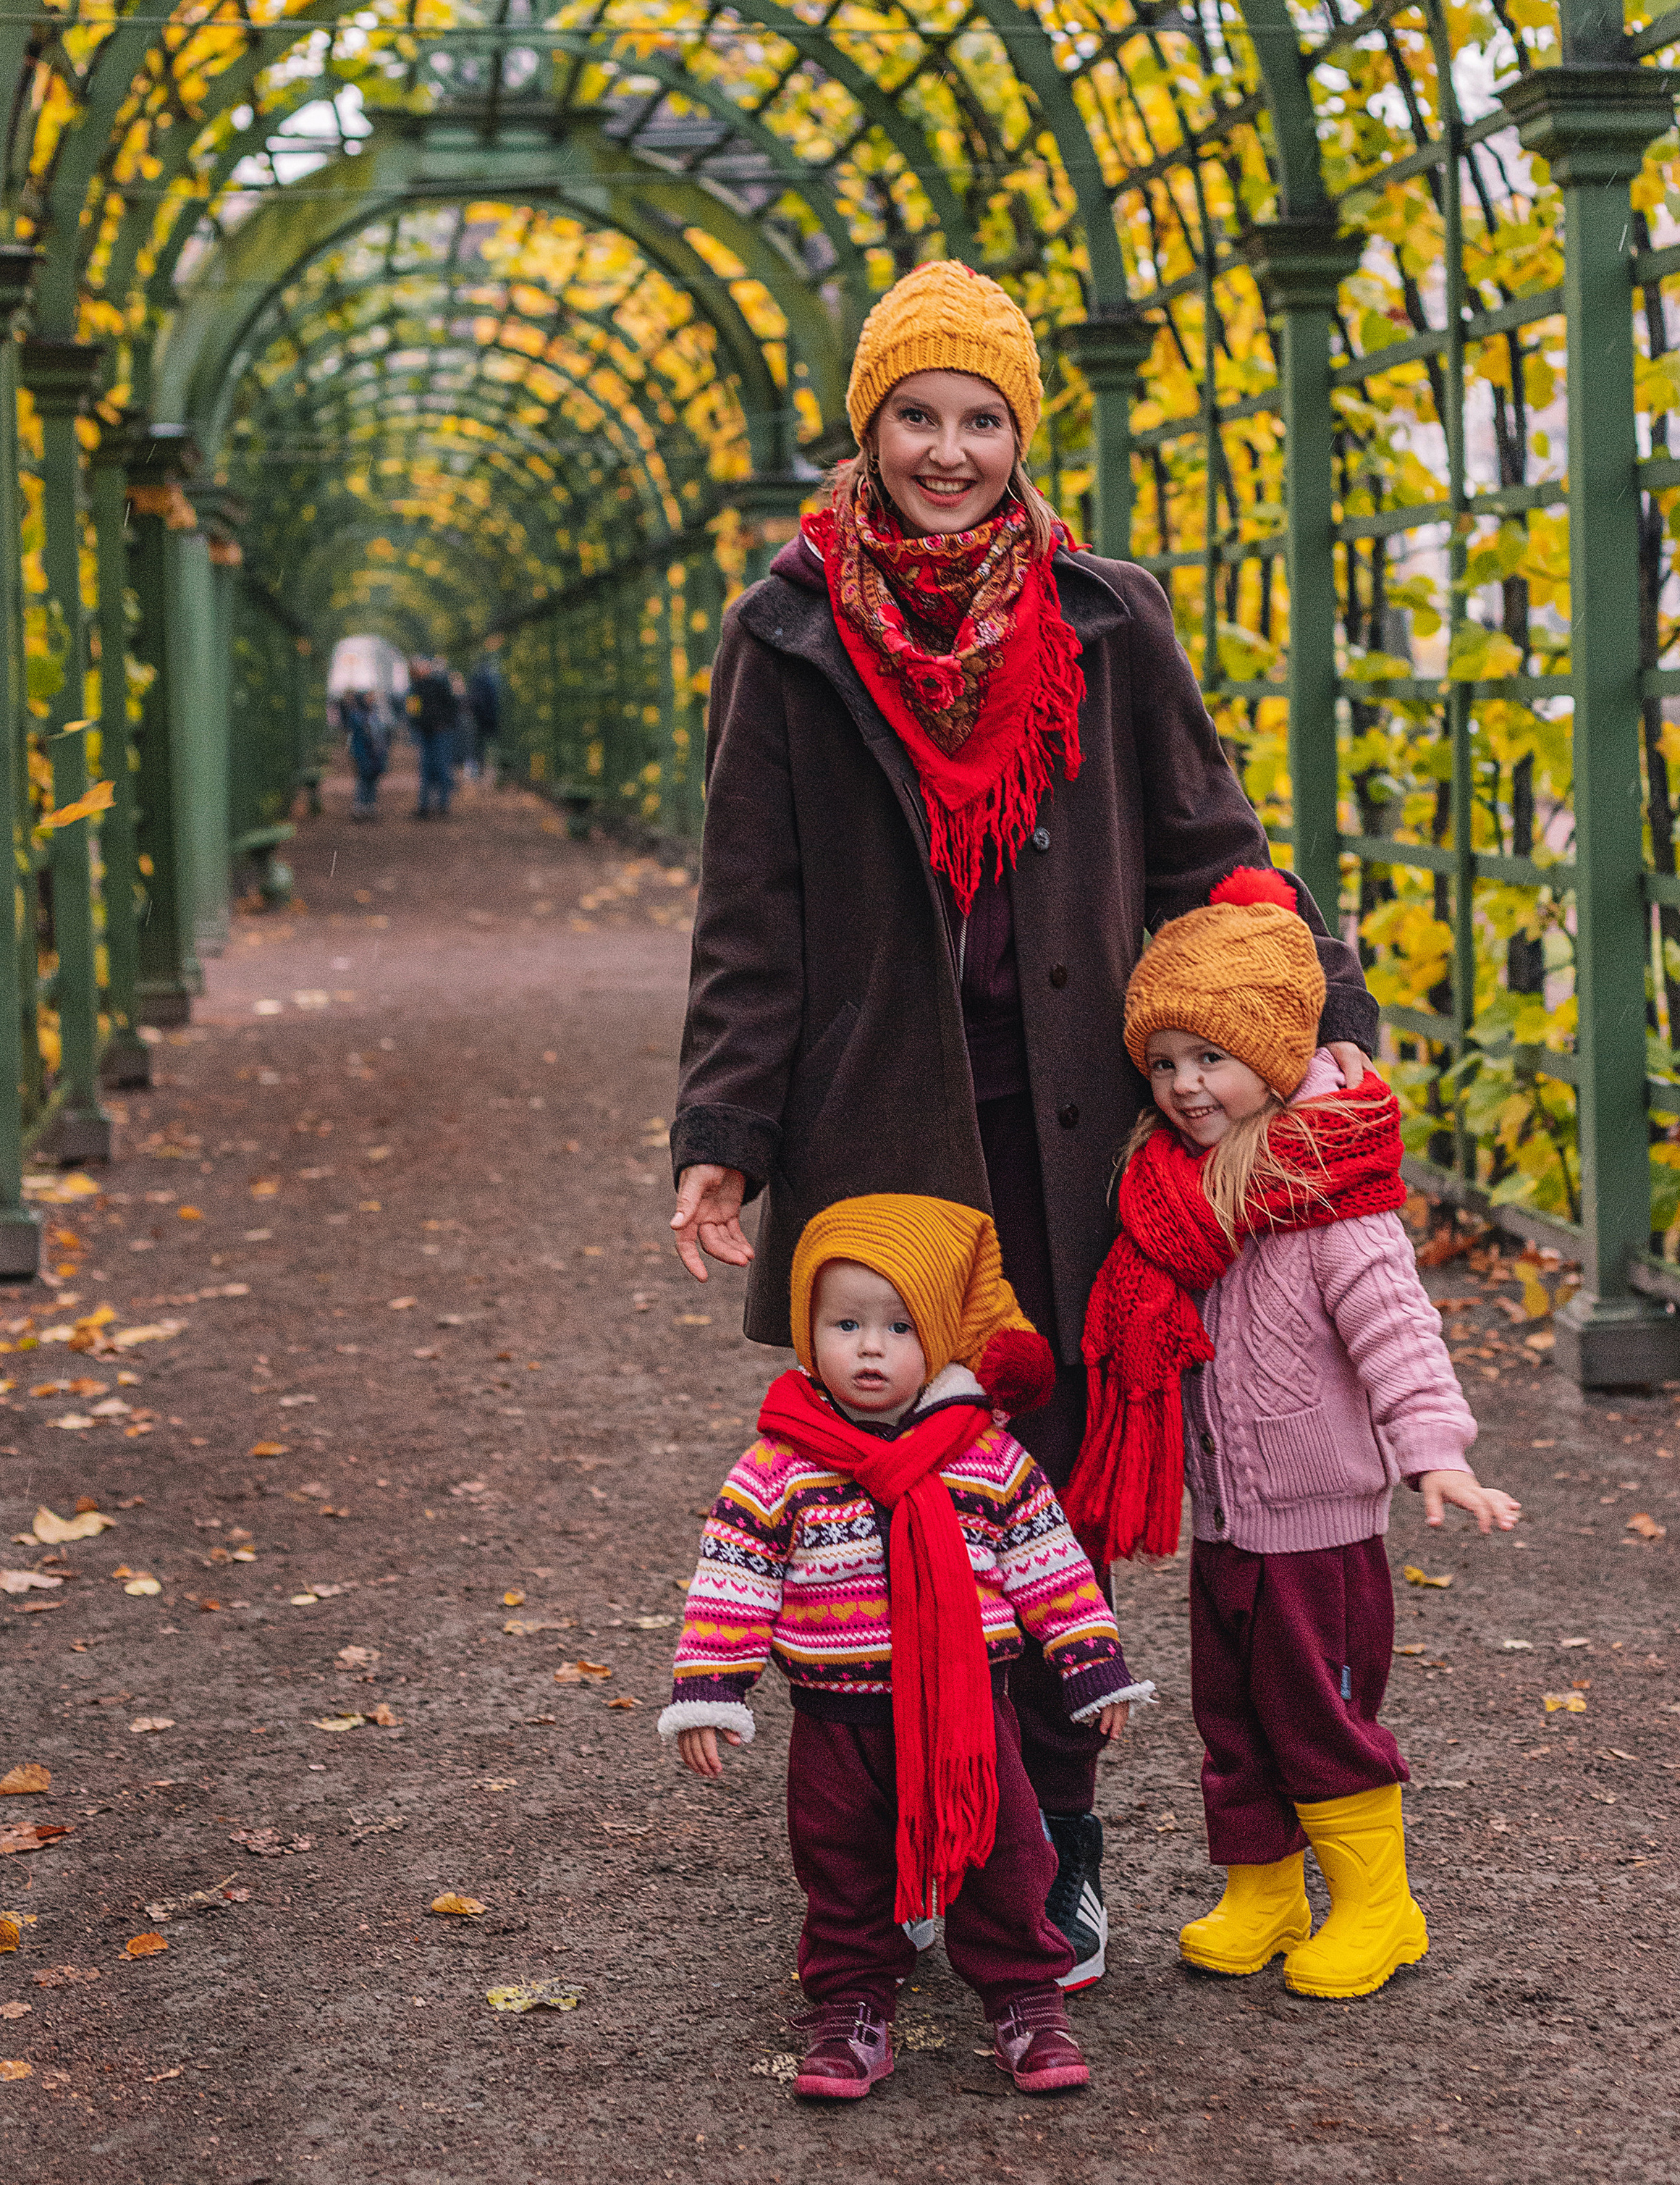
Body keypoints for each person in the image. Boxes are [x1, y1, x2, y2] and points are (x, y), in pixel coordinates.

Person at [669, 258, 1380, 1982]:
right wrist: (723, 1130)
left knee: (1029, 1501)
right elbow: (749, 910)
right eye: (914, 413)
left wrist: (1328, 1016)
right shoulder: (786, 628)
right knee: (890, 1494)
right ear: (866, 426)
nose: (947, 448)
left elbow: (1216, 846)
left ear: (1017, 434)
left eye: (979, 416)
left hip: (1077, 1152)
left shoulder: (1104, 618)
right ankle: (911, 1831)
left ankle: (1043, 1844)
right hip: (883, 1141)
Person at [1063, 866, 1520, 2000]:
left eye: (1209, 1059)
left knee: (1321, 1714)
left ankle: (1379, 1903)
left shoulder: (1330, 1201)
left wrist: (1437, 1453)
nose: (1182, 1086)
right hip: (1227, 1519)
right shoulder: (1177, 1194)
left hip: (1319, 1527)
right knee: (1233, 1715)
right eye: (1162, 1064)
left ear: (1269, 1056)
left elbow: (1397, 1334)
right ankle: (1264, 1892)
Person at [660, 1194, 1149, 2102]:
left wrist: (1093, 1665)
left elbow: (1049, 1565)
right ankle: (851, 2005)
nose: (871, 1348)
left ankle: (1026, 1999)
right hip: (836, 1719)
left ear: (946, 1336)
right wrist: (711, 1688)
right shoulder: (781, 1466)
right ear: (809, 1334)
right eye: (845, 1324)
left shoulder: (986, 1458)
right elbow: (734, 1578)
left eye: (898, 1325)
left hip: (970, 1716)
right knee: (842, 1864)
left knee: (1006, 1855)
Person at [405, 657, 459, 820]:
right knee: (427, 769)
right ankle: (426, 806)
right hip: (427, 733)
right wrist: (418, 726)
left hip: (440, 732)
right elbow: (412, 711)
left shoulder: (439, 684)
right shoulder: (415, 688)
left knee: (441, 768)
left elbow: (452, 706)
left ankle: (441, 806)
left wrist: (445, 724)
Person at [342, 691, 389, 821]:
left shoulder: (372, 714)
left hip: (374, 754)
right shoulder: (358, 716)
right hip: (363, 753)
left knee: (372, 780)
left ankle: (369, 806)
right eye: (368, 697)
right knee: (364, 780)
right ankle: (361, 806)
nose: (371, 700)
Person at [465, 656, 502, 778]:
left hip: (479, 717)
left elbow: (473, 698)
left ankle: (480, 769)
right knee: (486, 744)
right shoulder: (492, 680)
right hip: (488, 717)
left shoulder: (477, 680)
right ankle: (488, 769)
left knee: (477, 744)